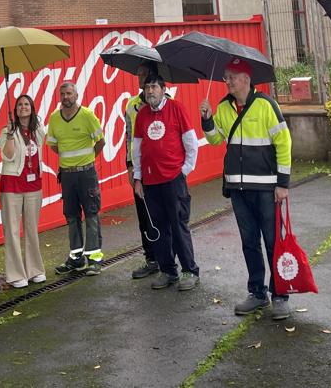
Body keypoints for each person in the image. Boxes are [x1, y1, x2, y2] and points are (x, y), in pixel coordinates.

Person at [199, 57, 294, 320]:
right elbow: (216, 139)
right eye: (226, 76)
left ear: (246, 79)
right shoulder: (223, 107)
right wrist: (206, 120)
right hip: (238, 188)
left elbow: (284, 144)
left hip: (266, 189)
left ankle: (280, 296)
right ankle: (257, 293)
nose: (226, 80)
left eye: (231, 76)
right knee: (249, 242)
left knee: (273, 243)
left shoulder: (266, 105)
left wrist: (282, 184)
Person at [132, 73, 200, 291]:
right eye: (147, 87)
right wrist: (138, 177)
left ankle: (190, 271)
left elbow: (191, 143)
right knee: (158, 229)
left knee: (178, 226)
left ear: (163, 89)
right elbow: (136, 149)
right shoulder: (142, 115)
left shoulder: (176, 108)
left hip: (173, 180)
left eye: (154, 87)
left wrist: (184, 170)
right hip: (151, 182)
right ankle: (167, 270)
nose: (150, 91)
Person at [47, 81, 105, 275]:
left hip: (86, 173)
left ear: (76, 95)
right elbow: (53, 145)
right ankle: (76, 258)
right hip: (67, 175)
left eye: (69, 93)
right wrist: (69, 158)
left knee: (91, 214)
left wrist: (87, 159)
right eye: (63, 94)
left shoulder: (87, 115)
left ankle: (95, 259)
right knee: (71, 216)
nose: (66, 97)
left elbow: (101, 141)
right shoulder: (55, 118)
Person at [0, 94, 47, 288]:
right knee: (12, 231)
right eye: (19, 105)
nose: (23, 107)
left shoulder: (38, 130)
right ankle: (16, 274)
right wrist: (10, 134)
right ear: (15, 110)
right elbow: (7, 156)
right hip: (12, 186)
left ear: (32, 108)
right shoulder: (7, 130)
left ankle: (34, 270)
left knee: (31, 230)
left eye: (27, 104)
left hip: (34, 185)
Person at [125, 62, 161, 280]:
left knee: (164, 216)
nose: (140, 78)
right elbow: (128, 137)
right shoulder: (131, 106)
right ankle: (151, 259)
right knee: (143, 216)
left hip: (161, 169)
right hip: (139, 170)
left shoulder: (166, 103)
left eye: (144, 74)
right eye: (137, 74)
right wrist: (129, 166)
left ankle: (168, 256)